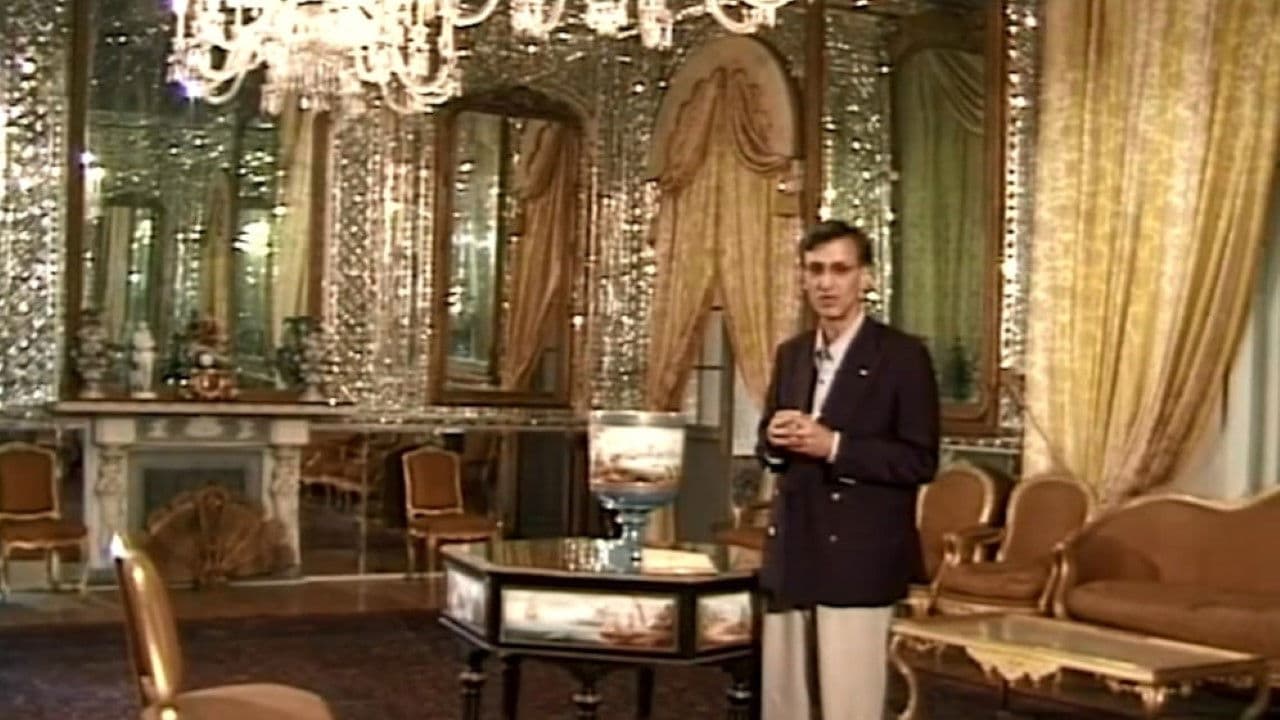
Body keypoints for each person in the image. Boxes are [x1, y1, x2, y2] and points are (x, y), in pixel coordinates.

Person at [756, 219, 940, 720]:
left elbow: (919, 460)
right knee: (783, 699)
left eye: (840, 270)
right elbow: (768, 445)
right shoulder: (793, 354)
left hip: (860, 553)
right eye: (815, 270)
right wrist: (774, 441)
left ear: (867, 278)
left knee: (849, 701)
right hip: (794, 545)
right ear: (802, 277)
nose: (826, 283)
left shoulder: (902, 356)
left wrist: (834, 446)